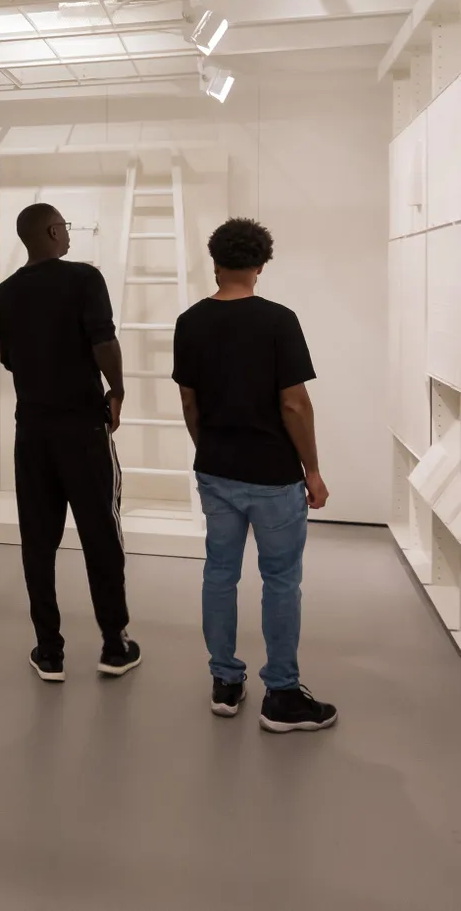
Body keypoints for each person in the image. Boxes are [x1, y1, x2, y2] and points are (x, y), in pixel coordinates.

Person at [172, 217, 336, 733]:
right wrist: (312, 469)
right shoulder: (278, 320)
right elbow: (294, 404)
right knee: (281, 581)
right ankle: (282, 696)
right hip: (273, 475)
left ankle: (225, 682)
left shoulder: (190, 321)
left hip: (217, 470)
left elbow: (189, 402)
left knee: (219, 575)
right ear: (261, 265)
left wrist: (211, 451)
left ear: (214, 261)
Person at [0, 203, 138, 684]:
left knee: (38, 539)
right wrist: (115, 390)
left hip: (31, 430)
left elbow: (11, 359)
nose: (69, 235)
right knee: (100, 531)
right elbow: (104, 342)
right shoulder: (84, 279)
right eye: (66, 228)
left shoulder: (6, 292)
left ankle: (49, 650)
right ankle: (114, 644)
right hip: (82, 427)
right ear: (53, 231)